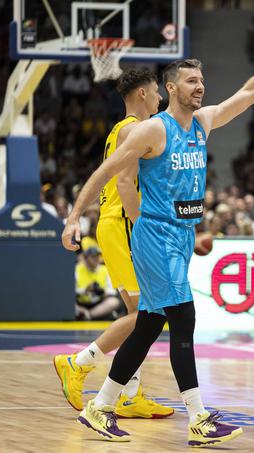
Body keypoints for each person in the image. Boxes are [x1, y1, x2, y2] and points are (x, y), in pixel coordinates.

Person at [60, 10, 254, 446]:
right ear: (171, 89)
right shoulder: (149, 131)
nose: (201, 87)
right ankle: (198, 418)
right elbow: (104, 174)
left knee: (148, 323)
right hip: (154, 236)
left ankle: (99, 408)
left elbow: (251, 91)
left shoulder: (203, 123)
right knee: (184, 317)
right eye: (192, 82)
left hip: (179, 237)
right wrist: (73, 217)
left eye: (203, 81)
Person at [53, 68, 173, 419]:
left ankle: (130, 394)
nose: (159, 99)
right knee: (145, 315)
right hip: (124, 224)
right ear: (141, 95)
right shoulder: (135, 128)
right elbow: (123, 183)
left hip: (114, 224)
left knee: (145, 313)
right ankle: (78, 362)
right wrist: (145, 228)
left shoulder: (119, 130)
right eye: (155, 93)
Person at [74, 247, 120, 320]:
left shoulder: (105, 270)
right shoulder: (77, 269)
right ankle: (85, 313)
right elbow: (70, 291)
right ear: (85, 258)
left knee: (114, 302)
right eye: (93, 256)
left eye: (98, 256)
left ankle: (88, 315)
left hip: (99, 303)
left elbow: (112, 291)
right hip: (81, 302)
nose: (96, 258)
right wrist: (85, 290)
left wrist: (102, 291)